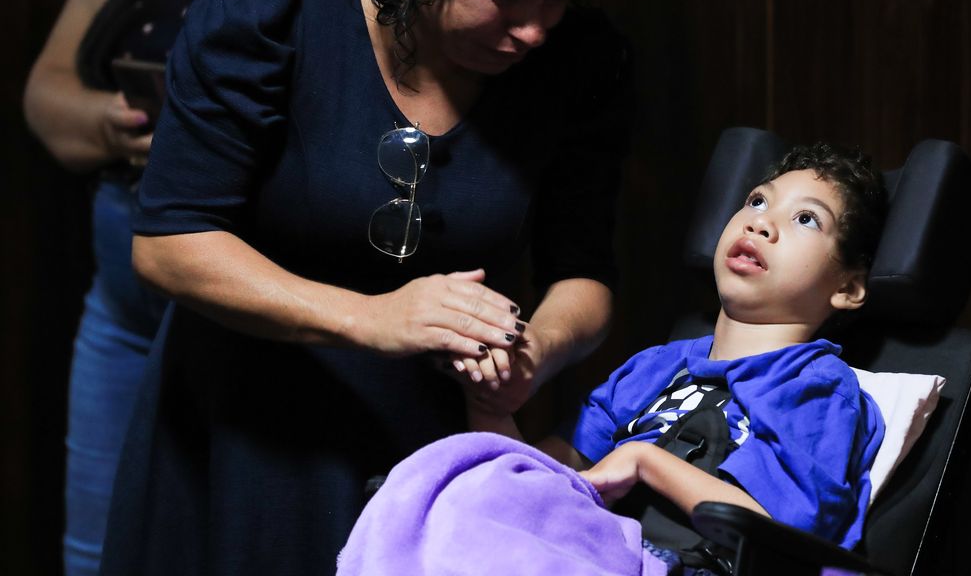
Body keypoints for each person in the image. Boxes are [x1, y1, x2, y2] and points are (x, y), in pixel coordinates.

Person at [98, 0, 630, 574]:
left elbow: (584, 273)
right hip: (248, 432)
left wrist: (535, 351)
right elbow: (171, 243)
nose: (536, 29)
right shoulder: (273, 10)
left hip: (433, 449)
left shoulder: (580, 64)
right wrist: (374, 317)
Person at [22, 0, 402, 574]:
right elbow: (45, 94)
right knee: (98, 551)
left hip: (279, 313)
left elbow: (384, 26)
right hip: (126, 300)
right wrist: (112, 122)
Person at [336, 143, 888, 576]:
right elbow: (550, 479)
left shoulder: (816, 386)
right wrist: (488, 395)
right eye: (758, 201)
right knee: (453, 495)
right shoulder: (654, 368)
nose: (760, 222)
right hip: (590, 548)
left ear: (849, 288)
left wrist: (647, 461)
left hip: (686, 567)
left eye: (806, 220)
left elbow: (785, 533)